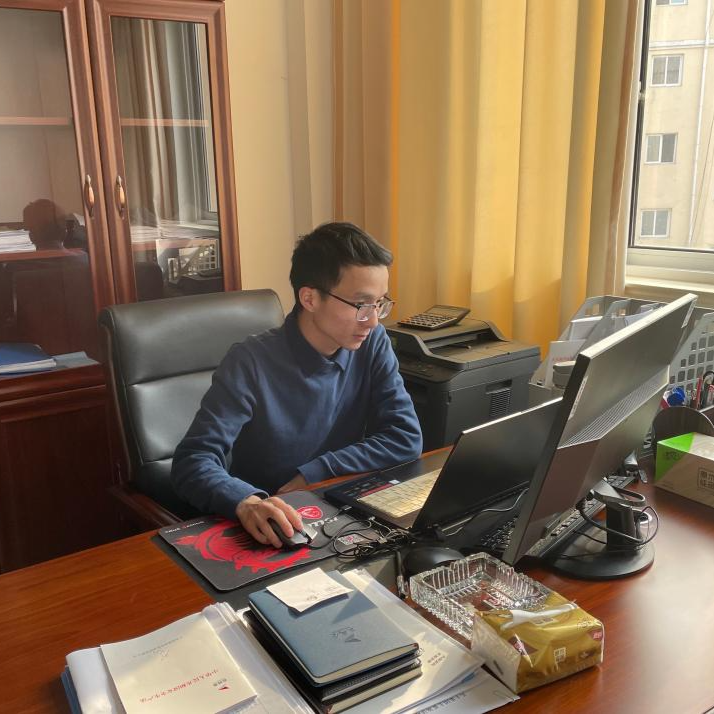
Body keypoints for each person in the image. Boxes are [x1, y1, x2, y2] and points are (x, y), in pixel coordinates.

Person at [171, 222, 423, 548]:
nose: (373, 320)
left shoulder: (372, 343)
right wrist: (246, 502)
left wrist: (316, 471)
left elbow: (405, 438)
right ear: (310, 298)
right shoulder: (250, 361)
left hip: (335, 512)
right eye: (361, 305)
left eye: (380, 303)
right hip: (271, 526)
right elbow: (193, 460)